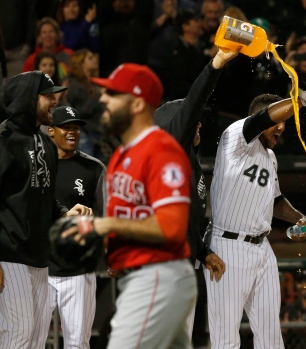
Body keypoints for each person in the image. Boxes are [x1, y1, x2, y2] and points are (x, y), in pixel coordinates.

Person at [65, 63, 197, 348]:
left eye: (113, 93)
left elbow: (172, 226)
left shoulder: (161, 150)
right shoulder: (118, 157)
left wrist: (105, 224)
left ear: (137, 104)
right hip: (136, 277)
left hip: (157, 276)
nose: (102, 98)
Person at [206, 83, 306, 349]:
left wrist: (299, 218)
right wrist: (303, 99)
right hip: (227, 247)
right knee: (226, 339)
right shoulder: (236, 137)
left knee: (270, 336)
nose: (282, 128)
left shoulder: (270, 156)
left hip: (262, 249)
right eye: (278, 122)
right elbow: (266, 117)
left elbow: (275, 200)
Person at [0, 71, 89, 349]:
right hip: (9, 254)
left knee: (37, 338)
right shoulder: (5, 139)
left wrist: (64, 213)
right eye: (48, 96)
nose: (55, 100)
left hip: (39, 256)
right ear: (28, 98)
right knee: (18, 334)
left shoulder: (46, 142)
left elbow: (45, 195)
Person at [153, 47, 236, 343]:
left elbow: (186, 223)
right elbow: (194, 102)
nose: (198, 122)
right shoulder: (169, 153)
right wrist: (215, 65)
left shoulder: (189, 161)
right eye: (190, 120)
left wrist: (203, 252)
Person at [45, 106, 106, 349]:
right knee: (31, 339)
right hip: (39, 268)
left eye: (76, 127)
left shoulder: (93, 168)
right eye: (66, 127)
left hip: (78, 269)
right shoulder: (38, 166)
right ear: (50, 131)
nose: (73, 132)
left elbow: (106, 216)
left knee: (78, 343)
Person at [60, 49, 103, 157]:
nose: (94, 60)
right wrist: (99, 95)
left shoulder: (93, 83)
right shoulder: (73, 84)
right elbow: (81, 111)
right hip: (84, 134)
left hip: (97, 132)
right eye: (90, 58)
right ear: (80, 63)